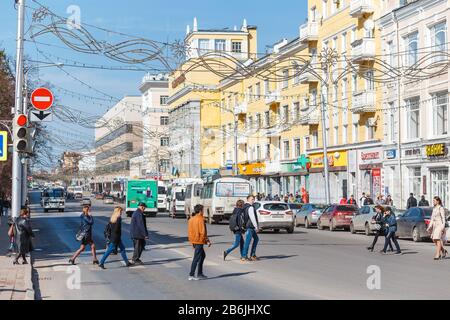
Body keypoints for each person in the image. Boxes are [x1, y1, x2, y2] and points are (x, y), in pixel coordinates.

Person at [188, 204, 211, 280]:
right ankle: (191, 275)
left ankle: (200, 273)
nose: (203, 211)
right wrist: (207, 240)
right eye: (203, 210)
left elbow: (190, 231)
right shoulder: (200, 219)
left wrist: (192, 241)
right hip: (199, 241)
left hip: (194, 240)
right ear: (200, 211)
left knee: (202, 256)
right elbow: (203, 232)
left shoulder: (191, 219)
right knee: (196, 258)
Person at [242, 195, 260, 262]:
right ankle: (245, 256)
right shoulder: (250, 207)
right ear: (248, 199)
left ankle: (252, 254)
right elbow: (252, 218)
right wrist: (256, 227)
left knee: (256, 239)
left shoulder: (244, 206)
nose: (253, 200)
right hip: (250, 227)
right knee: (247, 242)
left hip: (248, 226)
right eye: (252, 199)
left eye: (253, 199)